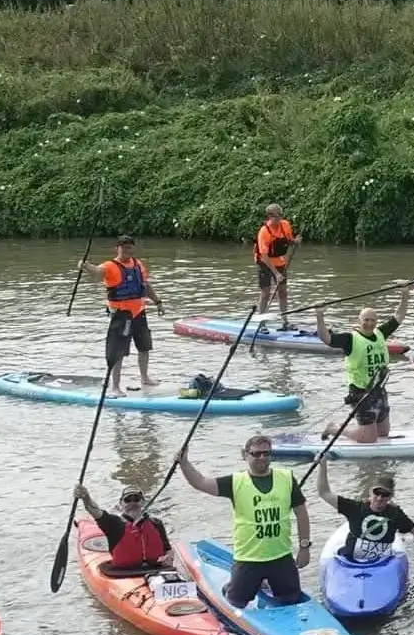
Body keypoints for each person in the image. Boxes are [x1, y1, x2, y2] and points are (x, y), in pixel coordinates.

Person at [175, 436, 312, 605]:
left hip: (281, 557)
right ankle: (233, 586)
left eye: (266, 453)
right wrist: (184, 463)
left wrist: (304, 547)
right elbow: (201, 483)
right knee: (236, 602)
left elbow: (302, 514)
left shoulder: (287, 478)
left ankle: (265, 586)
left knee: (291, 599)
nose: (262, 458)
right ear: (245, 455)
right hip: (249, 559)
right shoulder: (235, 482)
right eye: (256, 454)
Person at [313, 461, 414, 562]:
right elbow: (324, 492)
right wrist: (322, 465)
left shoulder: (395, 514)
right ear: (370, 493)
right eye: (377, 493)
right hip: (351, 562)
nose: (380, 498)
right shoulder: (354, 508)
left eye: (385, 495)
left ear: (390, 497)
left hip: (381, 563)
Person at [316, 286, 413, 444]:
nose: (369, 323)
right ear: (359, 321)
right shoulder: (350, 339)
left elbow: (399, 316)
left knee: (383, 433)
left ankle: (364, 428)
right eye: (366, 320)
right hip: (360, 393)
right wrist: (320, 315)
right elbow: (325, 338)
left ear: (376, 321)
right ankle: (334, 428)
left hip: (379, 390)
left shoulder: (381, 333)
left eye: (372, 320)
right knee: (369, 439)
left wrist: (404, 294)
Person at [77, 235, 166, 397]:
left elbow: (145, 285)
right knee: (117, 351)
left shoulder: (138, 264)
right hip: (121, 315)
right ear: (117, 249)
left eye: (130, 247)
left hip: (139, 312)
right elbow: (97, 274)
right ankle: (115, 387)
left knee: (144, 347)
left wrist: (158, 302)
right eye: (123, 247)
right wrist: (86, 266)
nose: (127, 250)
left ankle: (145, 378)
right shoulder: (109, 266)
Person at [70, 483, 173, 572]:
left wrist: (169, 557)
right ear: (121, 503)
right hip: (123, 573)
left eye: (136, 499)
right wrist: (85, 497)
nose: (132, 503)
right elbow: (94, 510)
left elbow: (168, 549)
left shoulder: (156, 524)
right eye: (128, 500)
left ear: (142, 502)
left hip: (156, 569)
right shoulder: (114, 524)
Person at [253, 204, 301, 318]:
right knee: (266, 293)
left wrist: (295, 242)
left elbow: (289, 240)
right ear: (269, 217)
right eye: (276, 216)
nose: (279, 219)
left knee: (283, 291)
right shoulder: (264, 232)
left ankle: (285, 321)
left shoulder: (285, 225)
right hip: (264, 263)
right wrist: (276, 274)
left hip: (279, 262)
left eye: (280, 215)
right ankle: (262, 321)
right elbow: (264, 255)